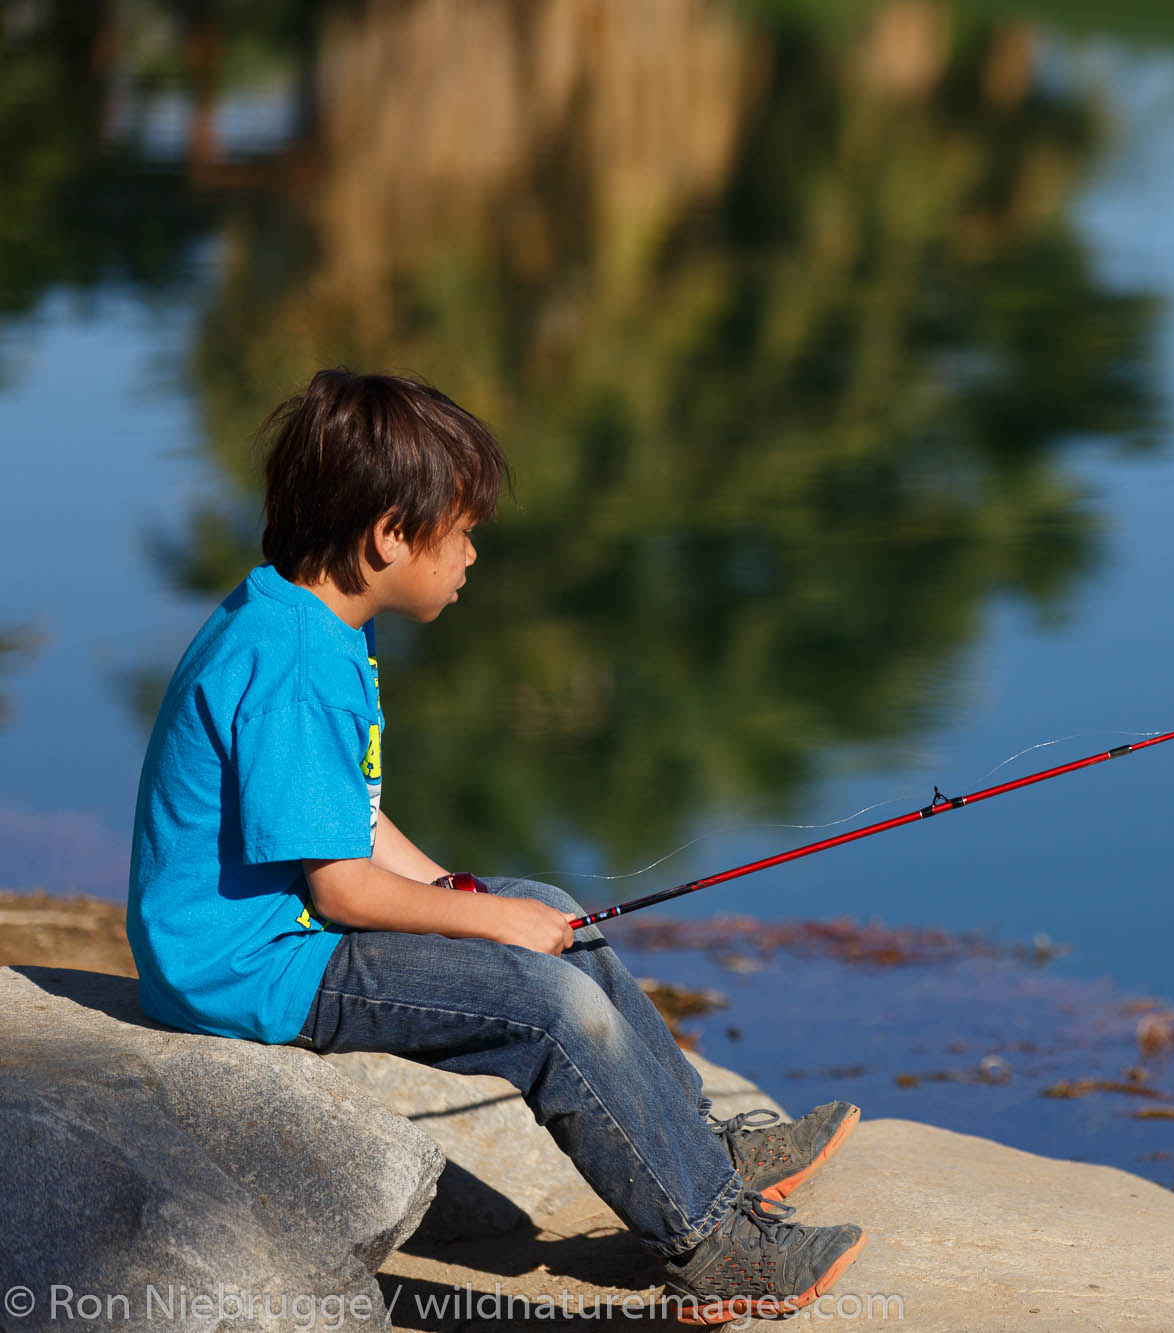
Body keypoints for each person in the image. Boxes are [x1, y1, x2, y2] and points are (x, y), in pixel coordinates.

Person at [126, 368, 865, 1325]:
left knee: (547, 905)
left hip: (281, 932)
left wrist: (456, 888)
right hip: (247, 966)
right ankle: (712, 1243)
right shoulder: (297, 663)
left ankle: (691, 1141)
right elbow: (345, 888)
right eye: (462, 530)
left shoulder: (299, 612)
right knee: (545, 1004)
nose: (472, 553)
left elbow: (340, 819)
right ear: (391, 533)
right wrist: (480, 919)